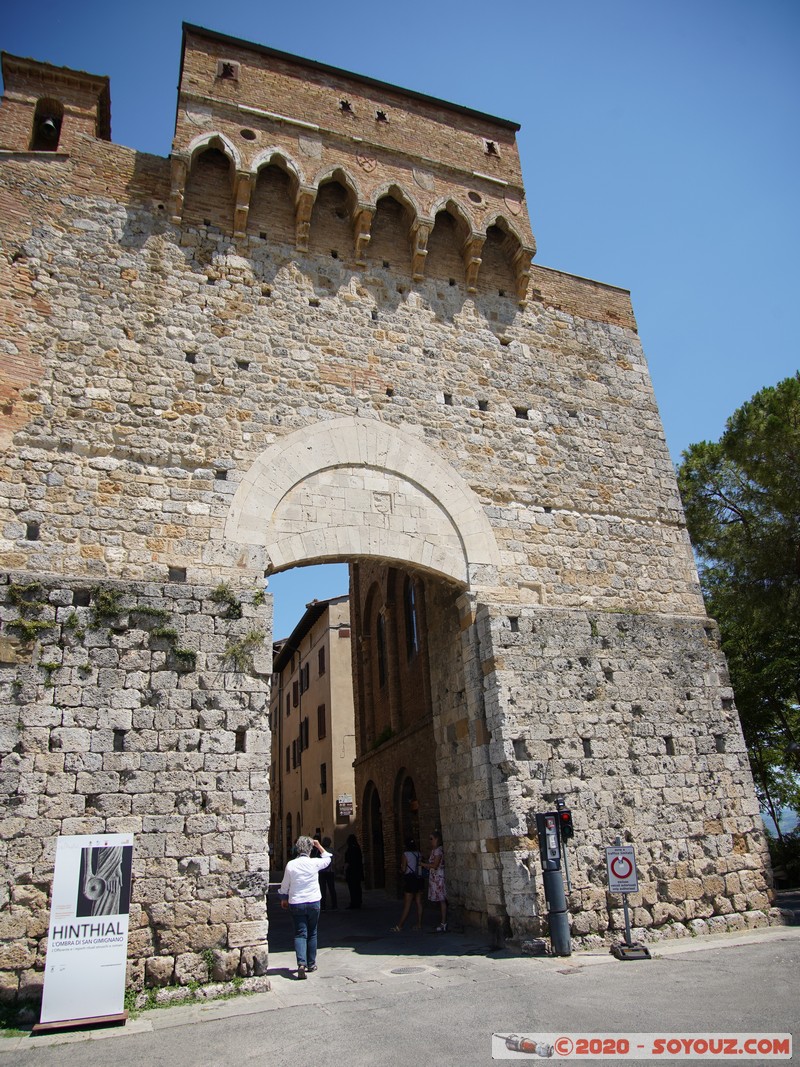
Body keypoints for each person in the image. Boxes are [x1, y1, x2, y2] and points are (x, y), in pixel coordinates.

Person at [278, 835, 332, 978]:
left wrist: (283, 898)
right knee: (312, 932)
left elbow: (285, 884)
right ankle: (311, 964)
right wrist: (319, 846)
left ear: (297, 848)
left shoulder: (291, 865)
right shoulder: (314, 863)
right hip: (313, 901)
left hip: (297, 902)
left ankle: (301, 963)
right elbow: (328, 859)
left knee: (300, 933)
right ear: (310, 849)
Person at [391, 837, 423, 932]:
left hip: (410, 879)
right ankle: (419, 924)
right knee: (419, 902)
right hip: (418, 879)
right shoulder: (419, 854)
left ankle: (399, 926)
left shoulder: (405, 854)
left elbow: (404, 869)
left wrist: (400, 871)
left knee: (407, 904)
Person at [421, 829, 447, 931]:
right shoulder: (435, 850)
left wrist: (423, 864)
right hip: (435, 877)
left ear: (437, 839)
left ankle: (443, 923)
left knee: (442, 900)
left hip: (438, 877)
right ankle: (442, 922)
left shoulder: (438, 851)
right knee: (441, 900)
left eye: (431, 839)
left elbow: (435, 865)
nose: (430, 841)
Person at [344, 833, 364, 909]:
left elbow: (348, 861)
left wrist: (345, 870)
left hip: (351, 872)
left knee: (352, 888)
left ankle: (354, 902)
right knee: (358, 887)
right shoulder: (357, 848)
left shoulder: (350, 849)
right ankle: (359, 901)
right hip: (358, 871)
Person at [317, 835, 337, 910]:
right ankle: (334, 905)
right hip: (330, 871)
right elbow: (339, 855)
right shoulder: (331, 850)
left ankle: (323, 906)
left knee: (323, 889)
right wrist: (334, 863)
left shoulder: (321, 850)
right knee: (332, 888)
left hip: (322, 871)